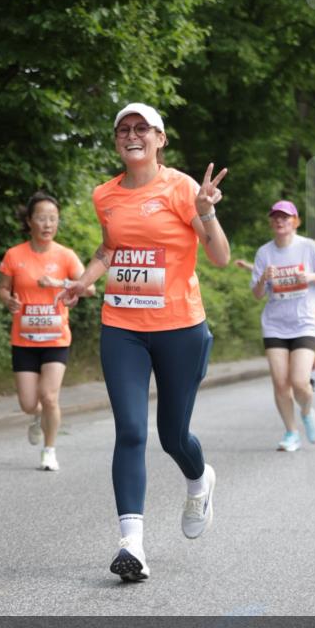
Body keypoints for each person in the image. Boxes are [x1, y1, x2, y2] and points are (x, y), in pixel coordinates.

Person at [59, 102, 230, 583]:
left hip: (180, 327)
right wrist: (84, 280)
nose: (132, 135)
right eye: (123, 129)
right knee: (131, 431)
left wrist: (206, 212)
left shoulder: (182, 188)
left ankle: (199, 480)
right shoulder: (105, 194)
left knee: (173, 436)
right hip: (123, 327)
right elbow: (109, 248)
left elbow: (219, 256)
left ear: (160, 138)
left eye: (142, 128)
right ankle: (131, 544)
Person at [0, 191, 95, 471]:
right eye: (41, 218)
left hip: (56, 338)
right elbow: (2, 288)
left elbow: (89, 288)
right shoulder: (14, 255)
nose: (48, 224)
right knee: (29, 403)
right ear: (30, 221)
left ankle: (49, 451)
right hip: (24, 339)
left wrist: (59, 282)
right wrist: (8, 300)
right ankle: (37, 415)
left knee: (50, 396)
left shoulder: (66, 256)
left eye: (53, 218)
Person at [251, 200, 315, 451]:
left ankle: (307, 412)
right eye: (276, 217)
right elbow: (257, 294)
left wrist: (309, 277)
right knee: (280, 382)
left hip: (304, 322)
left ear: (295, 222)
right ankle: (291, 432)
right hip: (275, 324)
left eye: (285, 217)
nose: (280, 221)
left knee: (299, 382)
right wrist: (263, 279)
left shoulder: (309, 247)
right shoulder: (264, 252)